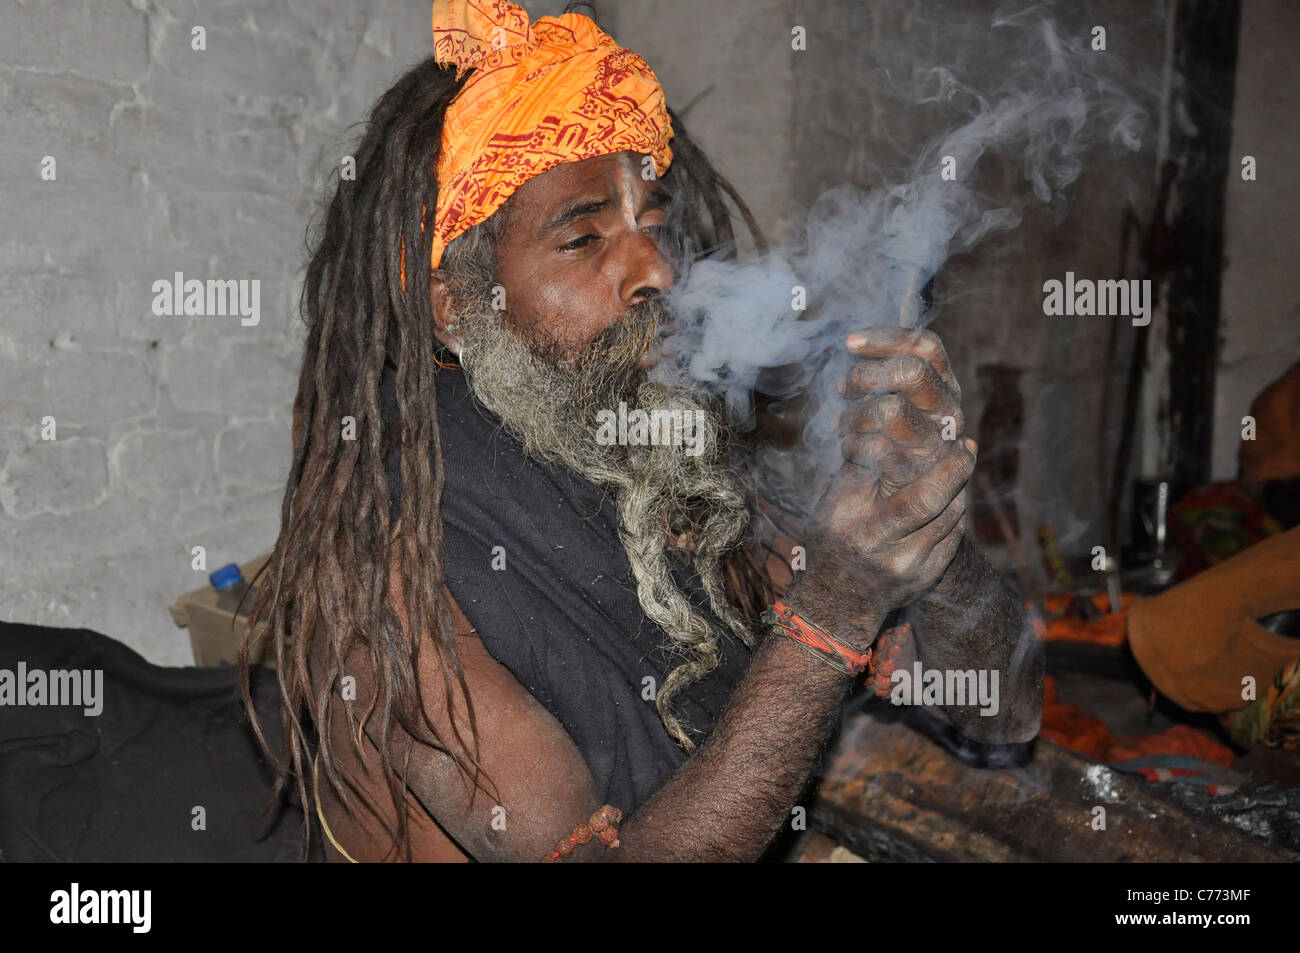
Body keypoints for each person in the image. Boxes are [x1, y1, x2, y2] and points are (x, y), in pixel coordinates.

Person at [240, 0, 1042, 863]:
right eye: (584, 238)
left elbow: (1002, 709)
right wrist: (831, 615)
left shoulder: (667, 457)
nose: (657, 269)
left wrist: (923, 521)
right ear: (455, 304)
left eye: (654, 225)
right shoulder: (381, 571)